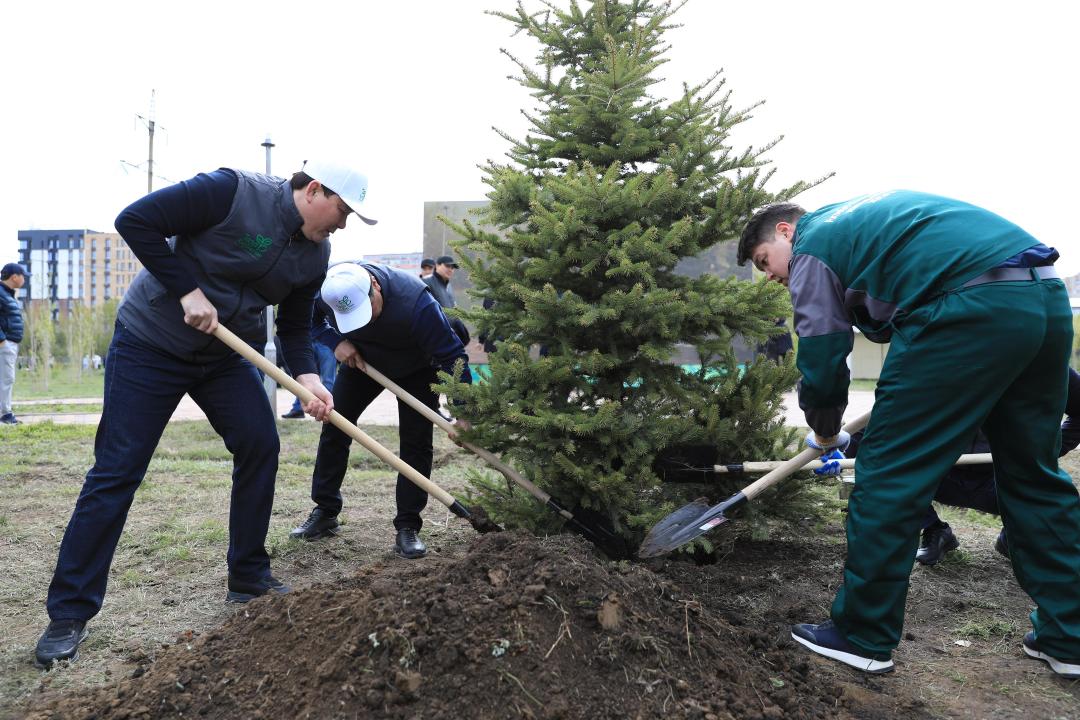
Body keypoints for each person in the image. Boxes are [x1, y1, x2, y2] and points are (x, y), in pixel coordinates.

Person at [34, 158, 376, 669]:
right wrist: (186, 290)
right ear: (315, 190)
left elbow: (296, 326)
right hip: (153, 341)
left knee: (261, 444)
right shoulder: (230, 192)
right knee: (117, 470)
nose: (342, 224)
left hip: (222, 354)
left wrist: (307, 379)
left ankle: (248, 576)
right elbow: (136, 220)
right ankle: (69, 613)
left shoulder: (316, 253)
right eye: (342, 210)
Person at [738, 190, 1080, 678]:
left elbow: (822, 351)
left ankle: (862, 635)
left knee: (887, 478)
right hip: (1042, 300)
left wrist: (826, 429)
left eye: (764, 260)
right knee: (1033, 475)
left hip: (965, 309)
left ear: (786, 231)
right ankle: (1070, 638)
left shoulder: (813, 245)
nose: (771, 276)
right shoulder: (865, 222)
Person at [289, 261, 472, 559]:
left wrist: (464, 413)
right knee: (336, 425)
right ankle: (325, 511)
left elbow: (454, 357)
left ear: (374, 286)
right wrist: (336, 342)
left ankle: (408, 525)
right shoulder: (329, 291)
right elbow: (305, 324)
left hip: (416, 367)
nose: (362, 322)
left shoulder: (416, 303)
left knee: (416, 441)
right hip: (361, 362)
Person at [836, 367, 1080, 565]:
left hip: (1005, 476)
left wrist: (1046, 451)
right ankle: (934, 530)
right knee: (885, 470)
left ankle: (1017, 533)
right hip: (941, 474)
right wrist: (841, 448)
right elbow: (885, 424)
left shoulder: (1038, 358)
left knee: (1055, 496)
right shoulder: (936, 360)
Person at [281, 299, 338, 419]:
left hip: (326, 341)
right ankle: (297, 409)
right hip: (307, 339)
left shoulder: (331, 288)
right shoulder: (308, 286)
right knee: (304, 377)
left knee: (328, 379)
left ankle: (327, 410)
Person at [0, 262, 30, 425]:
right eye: (23, 276)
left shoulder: (7, 294)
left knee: (5, 379)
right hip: (5, 344)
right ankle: (5, 415)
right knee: (6, 379)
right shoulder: (1, 293)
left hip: (9, 343)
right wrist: (2, 340)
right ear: (14, 277)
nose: (24, 279)